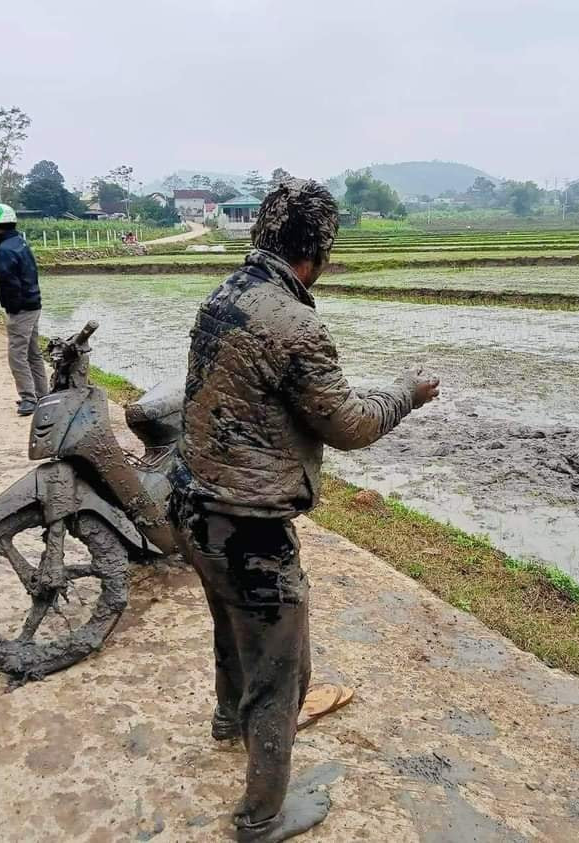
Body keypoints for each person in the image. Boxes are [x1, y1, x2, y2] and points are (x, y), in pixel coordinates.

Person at [169, 178, 439, 842]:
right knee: (283, 671)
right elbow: (348, 423)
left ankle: (227, 720)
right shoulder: (296, 324)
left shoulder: (222, 296)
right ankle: (262, 814)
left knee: (231, 628)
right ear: (316, 251)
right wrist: (406, 391)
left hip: (190, 504)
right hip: (250, 528)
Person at [0, 204, 48, 415]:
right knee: (32, 352)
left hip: (21, 310)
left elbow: (10, 284)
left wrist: (13, 309)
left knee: (17, 355)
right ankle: (42, 395)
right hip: (33, 305)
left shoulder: (6, 251)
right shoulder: (18, 243)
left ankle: (29, 399)